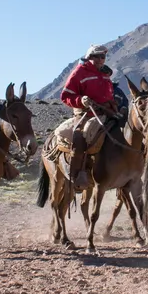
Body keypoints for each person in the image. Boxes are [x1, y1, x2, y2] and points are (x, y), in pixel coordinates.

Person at [60, 44, 113, 190]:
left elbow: (108, 94)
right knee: (80, 137)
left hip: (107, 111)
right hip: (85, 112)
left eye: (104, 56)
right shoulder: (79, 72)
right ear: (90, 57)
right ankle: (76, 176)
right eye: (99, 56)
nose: (102, 59)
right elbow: (65, 96)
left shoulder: (105, 73)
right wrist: (80, 100)